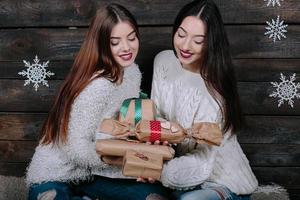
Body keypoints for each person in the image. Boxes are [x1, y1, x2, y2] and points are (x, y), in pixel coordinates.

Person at [26, 3, 169, 200]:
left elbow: (129, 120)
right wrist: (126, 156)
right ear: (102, 43)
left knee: (154, 196)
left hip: (97, 174)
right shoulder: (99, 85)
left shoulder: (132, 72)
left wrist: (146, 150)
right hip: (59, 174)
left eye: (131, 38)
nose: (126, 47)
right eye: (115, 42)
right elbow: (76, 149)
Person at [151, 0, 258, 199]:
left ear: (211, 43)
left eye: (198, 41)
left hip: (218, 180)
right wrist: (152, 153)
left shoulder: (214, 92)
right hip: (175, 169)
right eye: (181, 34)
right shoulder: (163, 61)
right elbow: (157, 116)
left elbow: (202, 161)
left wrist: (155, 170)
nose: (185, 45)